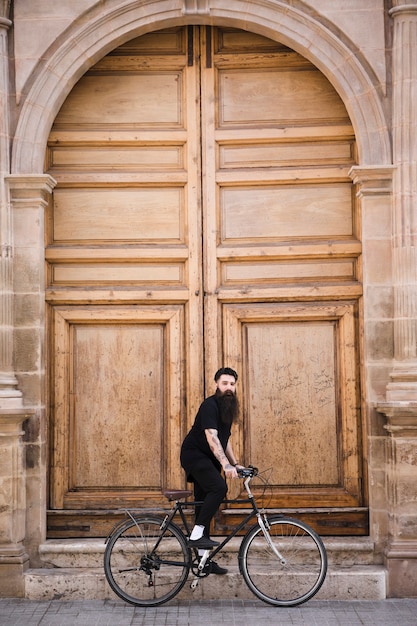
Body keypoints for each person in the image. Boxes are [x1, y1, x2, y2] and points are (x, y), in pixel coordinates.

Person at [180, 367, 244, 575]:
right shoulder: (210, 405)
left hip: (208, 461)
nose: (229, 388)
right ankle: (196, 535)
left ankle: (203, 560)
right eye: (225, 383)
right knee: (219, 487)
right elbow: (211, 437)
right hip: (195, 455)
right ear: (216, 384)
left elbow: (224, 441)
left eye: (232, 384)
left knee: (204, 508)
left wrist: (234, 464)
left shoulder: (227, 408)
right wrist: (225, 466)